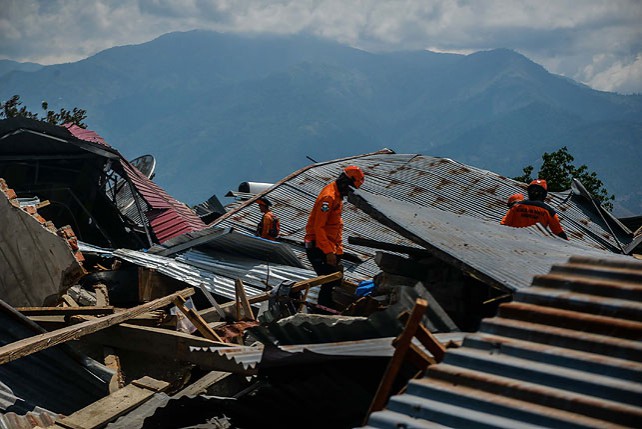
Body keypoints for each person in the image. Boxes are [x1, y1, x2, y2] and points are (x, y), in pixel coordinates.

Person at [304, 165, 365, 309]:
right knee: (329, 282)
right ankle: (323, 312)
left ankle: (327, 309)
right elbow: (319, 227)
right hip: (318, 246)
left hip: (330, 246)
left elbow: (335, 226)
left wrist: (338, 250)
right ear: (346, 182)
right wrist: (328, 252)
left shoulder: (337, 195)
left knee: (336, 279)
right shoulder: (328, 198)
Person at [501, 179, 568, 240]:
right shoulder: (549, 211)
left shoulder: (516, 207)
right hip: (536, 247)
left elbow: (503, 224)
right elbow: (559, 232)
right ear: (544, 194)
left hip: (514, 243)